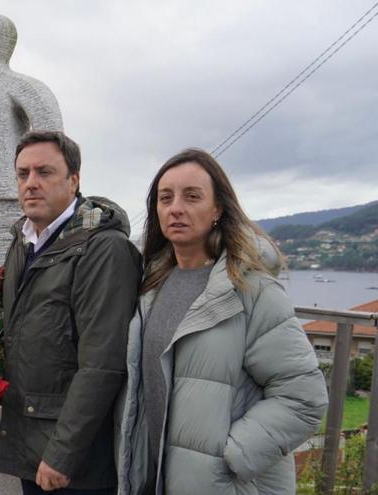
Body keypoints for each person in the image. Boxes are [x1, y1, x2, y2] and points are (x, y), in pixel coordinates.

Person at [116, 148, 329, 495]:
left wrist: (229, 457)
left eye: (192, 196)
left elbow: (304, 397)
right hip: (154, 479)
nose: (176, 208)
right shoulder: (151, 285)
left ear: (217, 209)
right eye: (165, 198)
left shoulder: (251, 289)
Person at [0, 130, 142, 494]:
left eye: (44, 173)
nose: (31, 184)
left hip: (76, 462)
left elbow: (103, 364)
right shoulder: (24, 241)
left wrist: (63, 454)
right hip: (31, 441)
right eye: (23, 174)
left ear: (74, 180)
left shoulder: (103, 249)